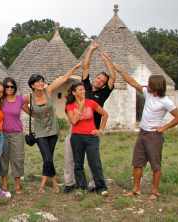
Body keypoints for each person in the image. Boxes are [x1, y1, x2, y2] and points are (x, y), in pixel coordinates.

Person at [113, 63, 178, 200]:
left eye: (149, 84)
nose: (147, 85)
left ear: (156, 86)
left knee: (155, 164)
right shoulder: (148, 93)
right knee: (137, 162)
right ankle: (136, 189)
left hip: (154, 136)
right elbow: (133, 82)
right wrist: (119, 69)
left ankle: (155, 192)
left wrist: (163, 127)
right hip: (142, 133)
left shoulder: (166, 101)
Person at [24, 60, 84, 194]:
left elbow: (63, 79)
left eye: (42, 81)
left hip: (53, 129)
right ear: (32, 85)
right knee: (48, 158)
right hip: (40, 131)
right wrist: (33, 115)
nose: (41, 83)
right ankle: (55, 183)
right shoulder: (29, 97)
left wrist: (75, 67)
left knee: (49, 157)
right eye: (37, 82)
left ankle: (43, 184)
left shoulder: (48, 90)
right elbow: (21, 106)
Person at [64, 43, 116, 194]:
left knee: (93, 160)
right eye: (98, 78)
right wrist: (91, 50)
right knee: (71, 158)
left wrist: (106, 60)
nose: (99, 81)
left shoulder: (103, 93)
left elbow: (113, 77)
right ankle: (71, 184)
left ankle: (95, 185)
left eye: (102, 81)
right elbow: (85, 67)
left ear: (104, 84)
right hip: (76, 127)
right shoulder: (85, 86)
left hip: (92, 127)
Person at [66, 82, 109, 196]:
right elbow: (73, 121)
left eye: (84, 89)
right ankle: (81, 187)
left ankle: (100, 187)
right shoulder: (70, 105)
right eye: (80, 90)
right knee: (78, 163)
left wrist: (101, 129)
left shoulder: (91, 103)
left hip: (91, 137)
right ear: (74, 93)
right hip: (76, 137)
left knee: (95, 162)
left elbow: (105, 114)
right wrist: (81, 107)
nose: (84, 91)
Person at [0, 77, 30, 194]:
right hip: (3, 134)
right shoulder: (0, 100)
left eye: (12, 86)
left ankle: (17, 185)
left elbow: (30, 112)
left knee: (17, 159)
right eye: (7, 86)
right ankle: (4, 185)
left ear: (15, 87)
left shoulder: (20, 100)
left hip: (17, 134)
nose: (9, 88)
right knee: (3, 159)